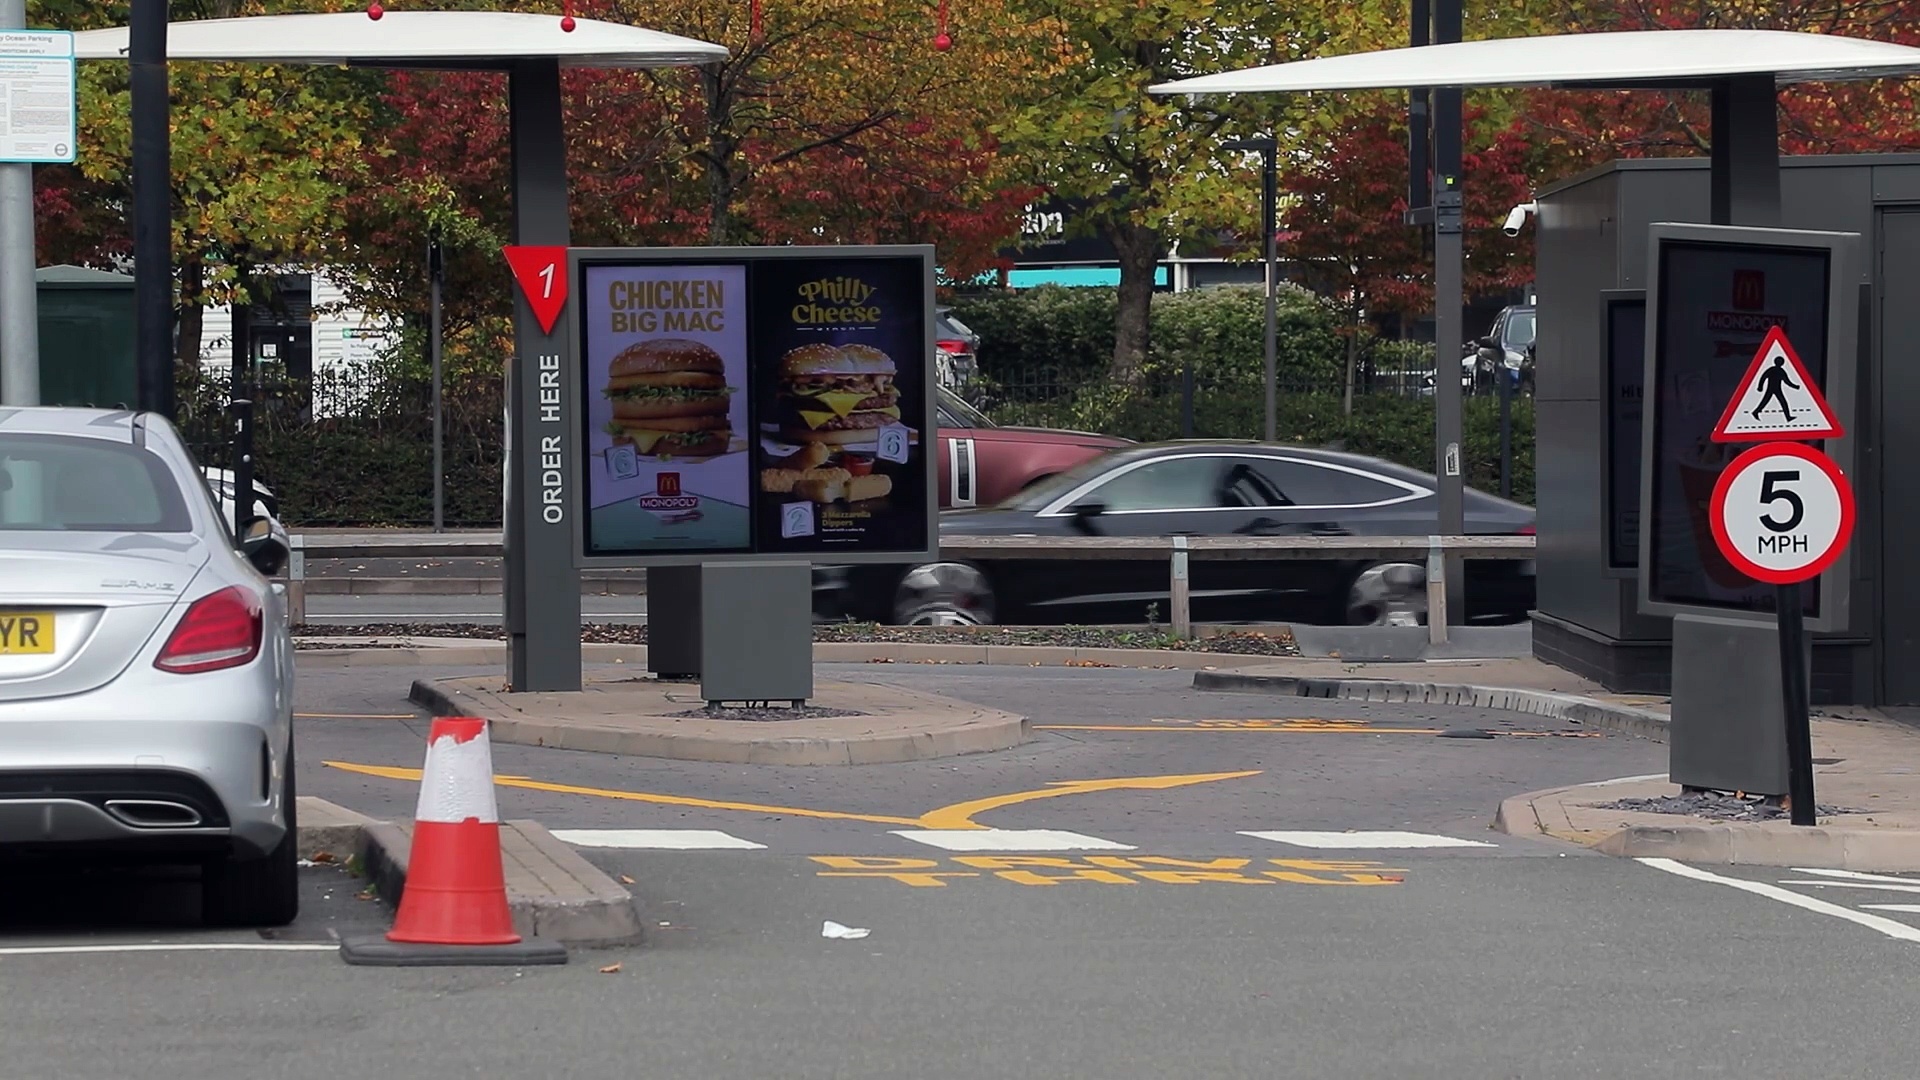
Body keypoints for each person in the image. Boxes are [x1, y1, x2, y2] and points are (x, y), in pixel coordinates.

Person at [1752, 355, 1798, 422]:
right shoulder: (1774, 370)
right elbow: (1763, 377)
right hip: (1772, 389)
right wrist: (1760, 386)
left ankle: (1788, 417)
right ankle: (1788, 417)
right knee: (1779, 402)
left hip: (1776, 389)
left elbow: (1787, 381)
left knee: (1771, 401)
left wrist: (1795, 386)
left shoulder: (1779, 371)